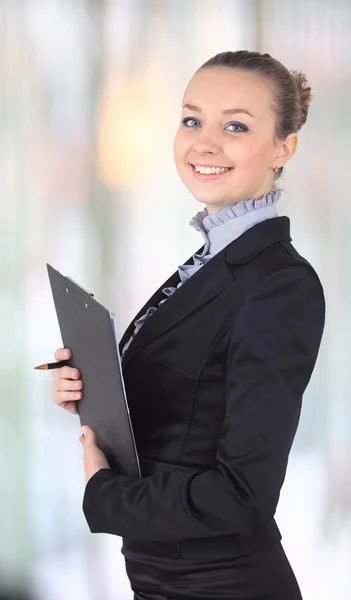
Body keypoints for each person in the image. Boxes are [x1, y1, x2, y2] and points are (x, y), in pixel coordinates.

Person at [51, 50, 326, 600]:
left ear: (283, 148)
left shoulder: (279, 284)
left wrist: (104, 493)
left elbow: (241, 494)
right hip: (165, 578)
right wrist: (89, 389)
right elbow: (187, 413)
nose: (204, 141)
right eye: (192, 119)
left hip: (221, 585)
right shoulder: (211, 262)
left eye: (236, 126)